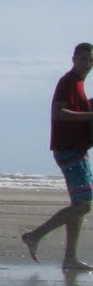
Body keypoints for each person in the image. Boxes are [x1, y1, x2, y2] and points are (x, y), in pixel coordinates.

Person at [22, 43, 93, 271]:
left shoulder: (79, 84)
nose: (87, 63)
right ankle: (35, 235)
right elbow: (58, 112)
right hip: (68, 149)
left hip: (77, 148)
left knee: (78, 205)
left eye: (90, 60)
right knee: (84, 205)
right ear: (73, 59)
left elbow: (80, 110)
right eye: (83, 59)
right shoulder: (68, 81)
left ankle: (70, 258)